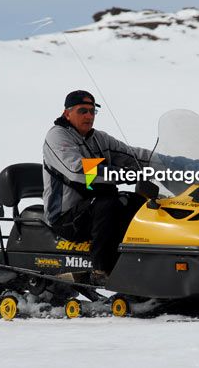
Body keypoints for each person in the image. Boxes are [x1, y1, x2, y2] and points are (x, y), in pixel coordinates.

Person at [42, 90, 154, 285]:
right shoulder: (57, 137)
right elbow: (77, 169)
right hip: (65, 217)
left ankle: (139, 261)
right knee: (107, 204)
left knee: (136, 201)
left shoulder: (99, 139)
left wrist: (173, 163)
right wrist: (120, 173)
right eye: (83, 111)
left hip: (90, 210)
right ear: (67, 113)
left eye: (92, 111)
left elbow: (132, 156)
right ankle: (101, 270)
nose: (89, 116)